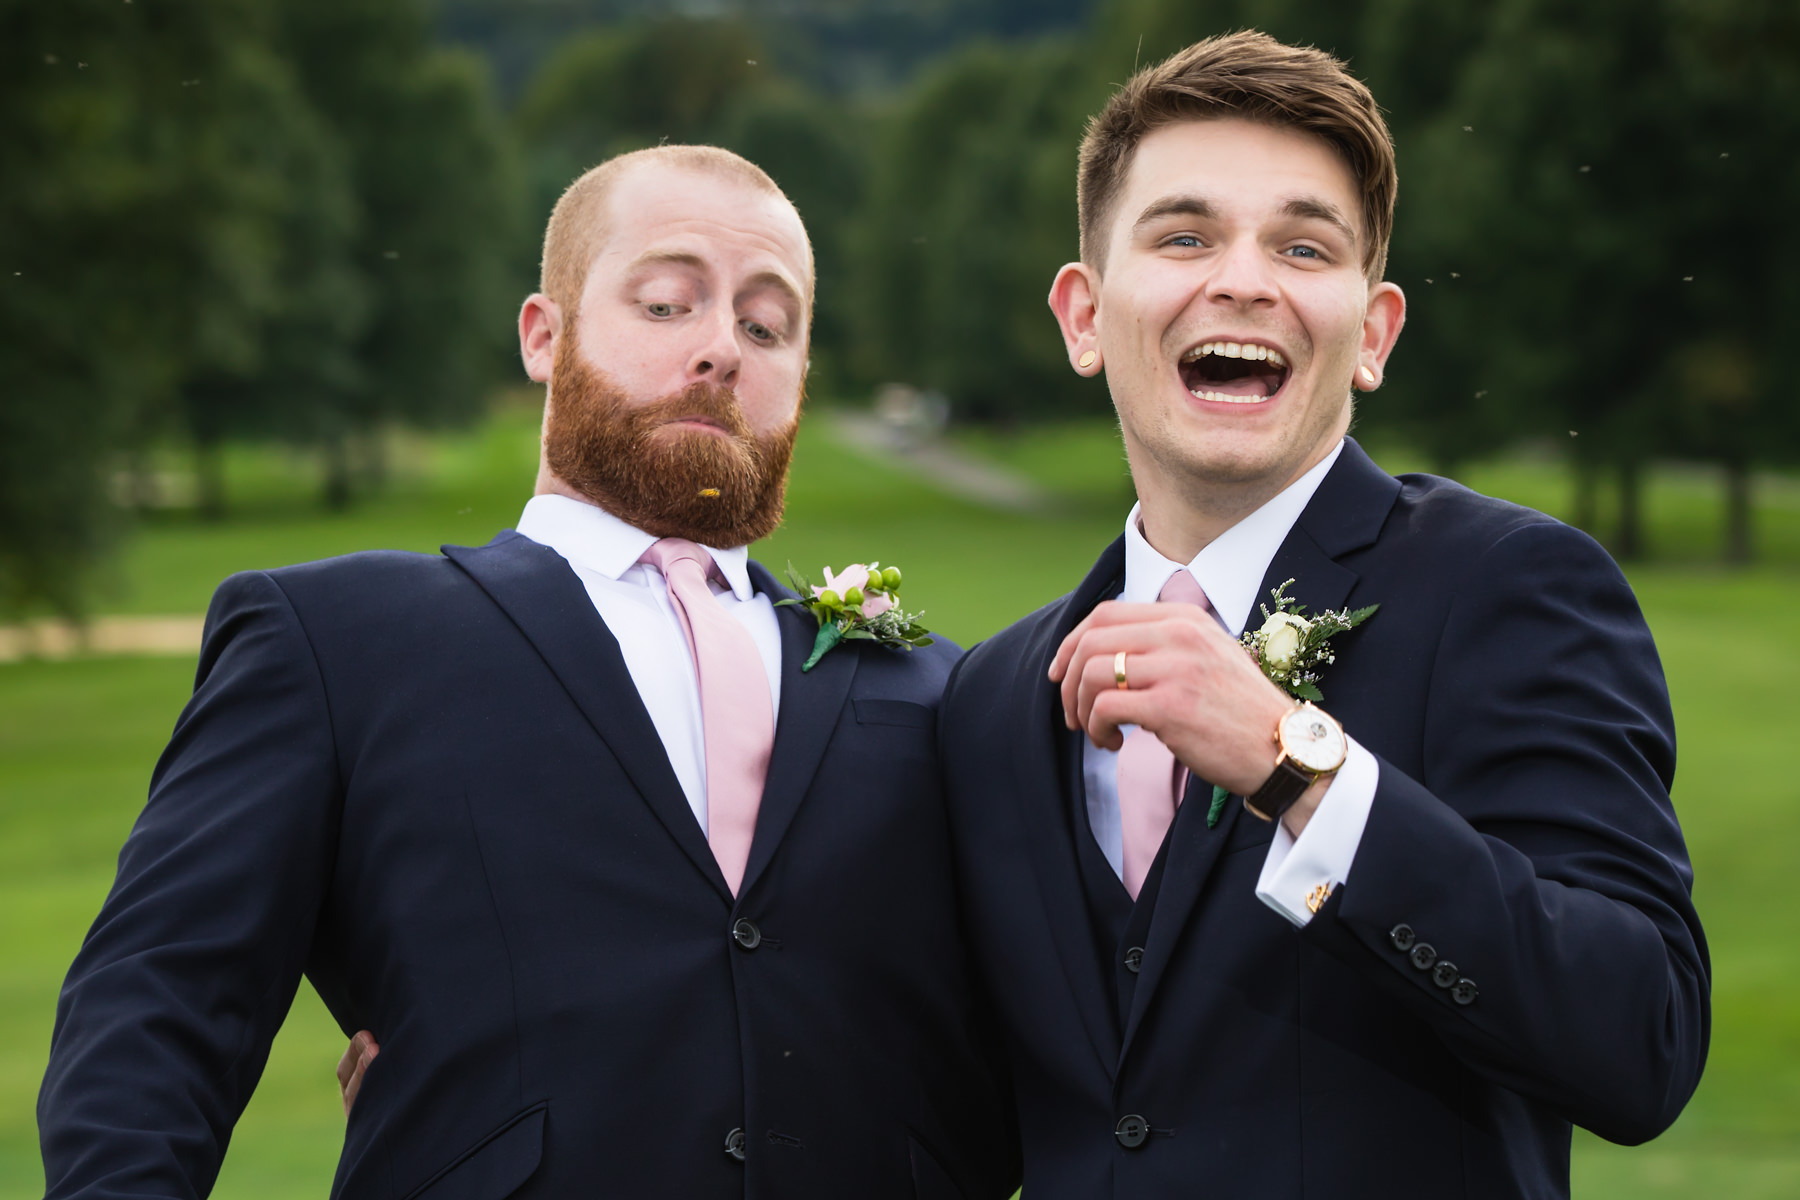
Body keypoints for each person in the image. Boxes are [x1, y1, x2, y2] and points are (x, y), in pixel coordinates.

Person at [39, 145, 1018, 1200]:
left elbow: (1055, 1067)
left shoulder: (941, 695)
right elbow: (157, 1018)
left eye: (766, 325)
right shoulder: (336, 640)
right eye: (663, 303)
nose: (722, 348)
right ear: (543, 336)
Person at [937, 31, 1709, 1197]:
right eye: (1185, 234)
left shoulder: (1510, 588)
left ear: (1376, 333)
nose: (1243, 278)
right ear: (1084, 316)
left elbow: (1638, 1040)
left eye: (1303, 245)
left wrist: (1297, 772)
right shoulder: (992, 697)